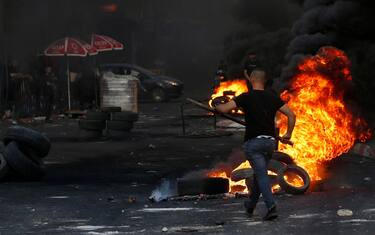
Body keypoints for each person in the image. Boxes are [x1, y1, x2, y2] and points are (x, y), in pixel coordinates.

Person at [215, 69, 296, 221]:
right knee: (260, 175)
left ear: (251, 80)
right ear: (264, 81)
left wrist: (216, 105)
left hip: (254, 143)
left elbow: (224, 108)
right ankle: (250, 205)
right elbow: (291, 115)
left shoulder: (246, 97)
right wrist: (288, 134)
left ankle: (271, 207)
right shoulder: (273, 97)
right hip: (270, 143)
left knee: (261, 175)